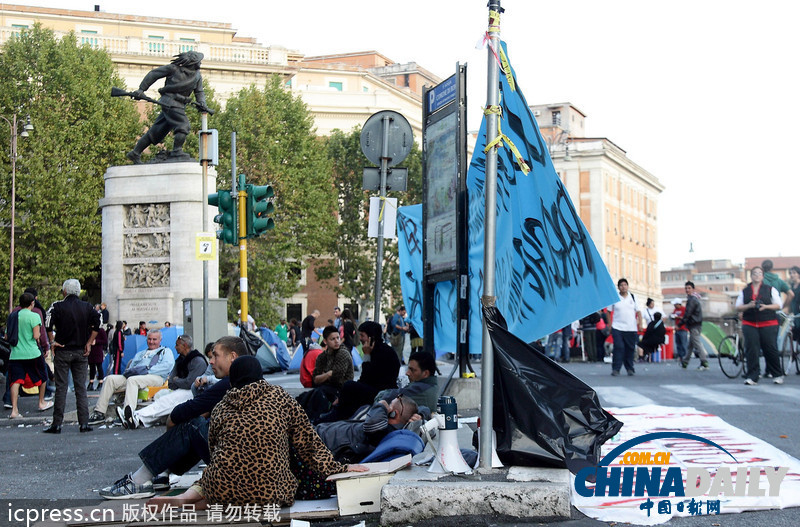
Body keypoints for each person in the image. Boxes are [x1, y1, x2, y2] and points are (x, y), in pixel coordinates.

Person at [145, 355, 367, 509]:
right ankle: (206, 501)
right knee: (264, 479)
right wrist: (342, 467)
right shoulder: (280, 398)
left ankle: (188, 499)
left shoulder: (222, 406)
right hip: (273, 494)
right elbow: (309, 444)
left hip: (224, 488)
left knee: (216, 481)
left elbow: (214, 449)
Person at [99, 336, 248, 499]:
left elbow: (186, 410)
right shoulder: (247, 381)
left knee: (192, 424)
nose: (211, 361)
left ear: (232, 357)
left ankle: (139, 481)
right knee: (202, 426)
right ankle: (163, 472)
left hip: (236, 470)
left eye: (215, 355)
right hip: (246, 467)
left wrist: (172, 420)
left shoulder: (229, 383)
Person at [126, 51, 208, 163]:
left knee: (158, 130)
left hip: (180, 105)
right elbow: (153, 74)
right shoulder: (173, 69)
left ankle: (135, 153)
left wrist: (202, 103)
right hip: (169, 101)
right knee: (183, 125)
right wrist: (141, 89)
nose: (200, 63)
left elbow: (199, 92)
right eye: (199, 61)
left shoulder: (197, 76)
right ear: (193, 62)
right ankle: (177, 151)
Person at [44, 279, 101, 434]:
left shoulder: (57, 306)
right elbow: (98, 323)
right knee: (80, 388)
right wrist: (89, 342)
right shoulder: (88, 307)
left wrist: (52, 341)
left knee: (61, 387)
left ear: (64, 292)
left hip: (62, 350)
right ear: (78, 291)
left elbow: (47, 322)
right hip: (81, 350)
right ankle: (84, 423)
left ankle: (57, 424)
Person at [316, 321, 401, 423]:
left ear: (371, 337)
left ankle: (338, 415)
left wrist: (367, 356)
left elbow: (367, 377)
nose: (360, 338)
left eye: (362, 335)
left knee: (349, 386)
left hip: (383, 392)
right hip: (375, 388)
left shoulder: (383, 352)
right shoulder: (375, 350)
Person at [88, 329, 175, 426]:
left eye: (154, 339)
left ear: (160, 340)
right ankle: (99, 412)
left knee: (132, 380)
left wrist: (147, 370)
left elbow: (167, 367)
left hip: (155, 376)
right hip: (136, 376)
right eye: (149, 339)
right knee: (110, 379)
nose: (151, 342)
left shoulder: (166, 351)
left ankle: (128, 414)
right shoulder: (141, 353)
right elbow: (132, 367)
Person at [120, 334, 207, 429]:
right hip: (180, 389)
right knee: (161, 397)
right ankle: (137, 418)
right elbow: (170, 382)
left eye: (177, 345)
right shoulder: (180, 361)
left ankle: (138, 416)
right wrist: (177, 381)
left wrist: (177, 380)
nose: (175, 347)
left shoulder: (198, 361)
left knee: (167, 401)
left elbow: (189, 384)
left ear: (185, 345)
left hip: (194, 392)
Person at [316, 395, 419, 463]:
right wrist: (422, 414)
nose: (387, 408)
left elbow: (372, 425)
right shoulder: (384, 425)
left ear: (393, 413)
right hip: (321, 434)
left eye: (390, 406)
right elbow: (425, 408)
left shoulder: (381, 430)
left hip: (320, 441)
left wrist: (381, 405)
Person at [7, 292, 52, 418]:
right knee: (42, 377)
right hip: (32, 353)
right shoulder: (35, 316)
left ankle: (14, 410)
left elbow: (7, 335)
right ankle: (41, 402)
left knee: (15, 381)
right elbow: (36, 336)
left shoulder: (12, 316)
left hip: (15, 354)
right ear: (32, 303)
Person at [736, 266, 783, 385]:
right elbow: (738, 306)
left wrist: (766, 307)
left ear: (762, 276)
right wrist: (749, 306)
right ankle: (753, 376)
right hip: (750, 323)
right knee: (752, 349)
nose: (757, 275)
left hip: (768, 322)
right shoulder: (745, 291)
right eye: (754, 273)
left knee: (770, 348)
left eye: (759, 273)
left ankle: (777, 374)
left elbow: (778, 305)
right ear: (751, 276)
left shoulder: (770, 289)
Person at [310, 326, 355, 400]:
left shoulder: (343, 353)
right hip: (325, 389)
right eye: (332, 339)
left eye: (338, 338)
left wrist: (323, 375)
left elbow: (337, 380)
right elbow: (315, 380)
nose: (337, 341)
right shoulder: (322, 356)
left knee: (318, 394)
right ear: (325, 341)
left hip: (342, 391)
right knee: (305, 397)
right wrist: (328, 374)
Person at [608, 278, 640, 376]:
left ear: (627, 286)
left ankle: (630, 368)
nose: (623, 287)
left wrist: (640, 324)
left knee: (630, 348)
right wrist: (609, 325)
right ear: (618, 287)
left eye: (625, 285)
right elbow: (608, 312)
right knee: (619, 347)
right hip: (617, 327)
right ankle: (616, 369)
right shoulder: (614, 297)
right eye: (621, 285)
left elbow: (638, 312)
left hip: (631, 327)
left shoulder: (633, 297)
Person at [682, 281, 709, 370]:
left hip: (694, 324)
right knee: (691, 344)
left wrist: (680, 323)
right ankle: (685, 362)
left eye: (689, 288)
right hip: (696, 324)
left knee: (697, 343)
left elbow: (688, 313)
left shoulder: (692, 300)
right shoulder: (694, 299)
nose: (687, 290)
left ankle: (704, 361)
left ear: (693, 289)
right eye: (686, 288)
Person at [87, 325, 108, 391]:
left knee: (99, 366)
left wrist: (96, 341)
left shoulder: (101, 330)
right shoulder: (89, 330)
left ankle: (100, 382)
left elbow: (105, 341)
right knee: (92, 367)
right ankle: (91, 382)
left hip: (98, 351)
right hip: (91, 351)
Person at [669, 298, 688, 363]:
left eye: (675, 304)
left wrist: (678, 317)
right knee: (678, 343)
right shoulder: (675, 310)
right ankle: (680, 356)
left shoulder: (684, 309)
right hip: (677, 328)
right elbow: (673, 316)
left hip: (683, 328)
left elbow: (685, 317)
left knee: (684, 343)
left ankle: (685, 356)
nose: (674, 305)